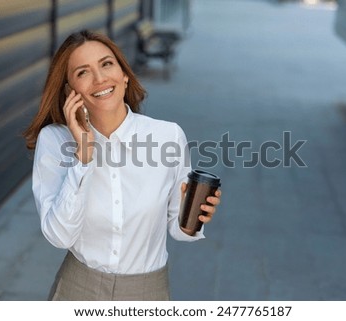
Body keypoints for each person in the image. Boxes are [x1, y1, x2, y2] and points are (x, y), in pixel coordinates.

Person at [23, 30, 221, 301]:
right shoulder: (55, 140)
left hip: (147, 292)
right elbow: (60, 237)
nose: (100, 78)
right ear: (71, 92)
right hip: (77, 289)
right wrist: (83, 156)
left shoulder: (168, 137)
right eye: (83, 72)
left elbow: (178, 228)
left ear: (124, 74)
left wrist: (194, 220)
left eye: (107, 64)